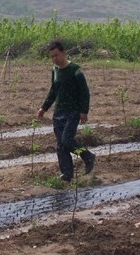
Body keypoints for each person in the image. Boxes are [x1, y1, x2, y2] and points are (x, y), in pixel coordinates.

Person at [36, 40, 95, 182]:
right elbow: (53, 90)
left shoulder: (75, 70)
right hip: (58, 113)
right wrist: (43, 108)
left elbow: (84, 92)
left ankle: (88, 156)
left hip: (72, 112)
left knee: (67, 141)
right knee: (61, 146)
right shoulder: (55, 70)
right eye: (52, 57)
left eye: (56, 55)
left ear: (64, 53)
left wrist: (83, 111)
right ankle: (67, 175)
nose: (54, 59)